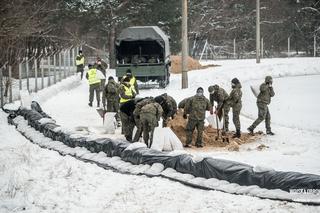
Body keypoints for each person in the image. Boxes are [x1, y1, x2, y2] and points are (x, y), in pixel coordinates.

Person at [119, 76, 136, 141]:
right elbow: (122, 95)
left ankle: (128, 132)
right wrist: (130, 97)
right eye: (127, 82)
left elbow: (134, 92)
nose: (128, 83)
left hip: (130, 103)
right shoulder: (121, 87)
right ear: (124, 82)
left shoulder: (130, 86)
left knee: (130, 119)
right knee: (124, 119)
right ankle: (124, 132)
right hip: (123, 103)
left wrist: (133, 95)